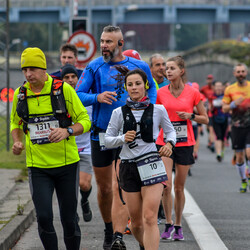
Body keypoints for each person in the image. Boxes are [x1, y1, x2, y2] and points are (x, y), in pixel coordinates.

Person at [76, 25, 157, 250]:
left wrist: (146, 107)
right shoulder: (94, 67)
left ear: (120, 44)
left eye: (108, 42)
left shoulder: (138, 66)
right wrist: (97, 96)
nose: (103, 45)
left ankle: (119, 234)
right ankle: (108, 227)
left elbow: (152, 92)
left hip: (129, 135)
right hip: (101, 134)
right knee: (104, 189)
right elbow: (77, 95)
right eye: (102, 41)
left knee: (118, 184)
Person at [10, 47, 91, 250]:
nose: (28, 74)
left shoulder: (63, 90)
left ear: (44, 68)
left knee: (69, 218)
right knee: (44, 217)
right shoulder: (20, 95)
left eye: (33, 69)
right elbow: (15, 123)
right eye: (24, 69)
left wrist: (67, 131)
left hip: (66, 165)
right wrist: (17, 141)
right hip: (38, 167)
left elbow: (85, 120)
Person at [104, 67, 176, 250]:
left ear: (145, 85)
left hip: (151, 164)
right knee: (136, 223)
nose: (134, 87)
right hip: (128, 167)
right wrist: (122, 138)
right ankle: (145, 245)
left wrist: (169, 144)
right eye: (130, 85)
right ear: (126, 88)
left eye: (138, 84)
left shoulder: (158, 110)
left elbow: (171, 132)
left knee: (150, 217)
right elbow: (107, 141)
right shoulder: (118, 113)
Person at [156, 56, 208, 240]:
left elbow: (205, 118)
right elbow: (155, 117)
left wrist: (190, 115)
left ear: (181, 71)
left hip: (185, 143)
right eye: (167, 68)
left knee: (179, 188)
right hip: (165, 142)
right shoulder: (161, 93)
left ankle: (178, 225)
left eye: (172, 68)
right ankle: (168, 223)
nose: (168, 71)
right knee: (165, 185)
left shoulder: (193, 92)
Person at [61, 64, 93, 222]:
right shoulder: (58, 99)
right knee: (69, 186)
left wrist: (85, 126)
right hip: (67, 147)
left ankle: (85, 200)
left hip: (86, 148)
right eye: (66, 78)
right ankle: (72, 214)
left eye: (73, 77)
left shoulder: (86, 97)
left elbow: (92, 122)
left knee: (84, 184)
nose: (70, 80)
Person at [222, 63, 250, 193]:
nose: (240, 74)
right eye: (238, 72)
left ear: (246, 72)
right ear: (234, 74)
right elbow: (224, 108)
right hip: (237, 126)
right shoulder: (230, 89)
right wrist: (233, 104)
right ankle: (243, 180)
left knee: (249, 152)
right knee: (239, 156)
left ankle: (248, 175)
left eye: (243, 71)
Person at [210, 81, 228, 162]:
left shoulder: (226, 96)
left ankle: (222, 151)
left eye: (220, 86)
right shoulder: (211, 97)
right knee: (218, 135)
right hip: (215, 118)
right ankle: (218, 154)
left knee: (223, 137)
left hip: (225, 117)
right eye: (216, 86)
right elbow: (209, 108)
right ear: (214, 87)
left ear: (222, 87)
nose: (218, 88)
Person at [200, 74, 216, 152]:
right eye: (208, 79)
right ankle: (210, 140)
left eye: (211, 79)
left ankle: (211, 142)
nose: (209, 80)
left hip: (214, 111)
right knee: (208, 128)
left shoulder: (215, 89)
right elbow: (199, 95)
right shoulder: (204, 89)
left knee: (211, 128)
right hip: (207, 110)